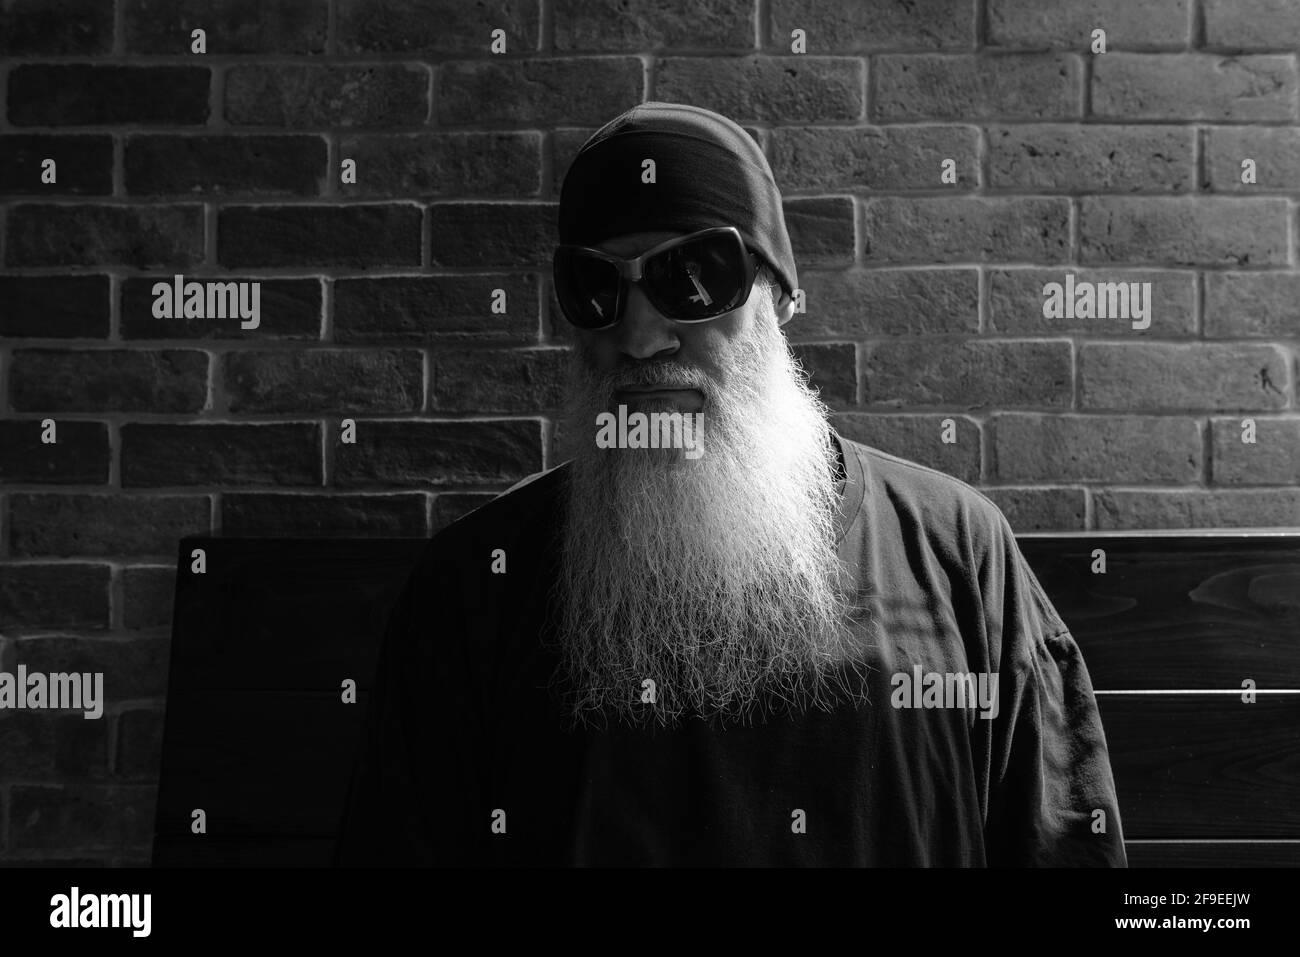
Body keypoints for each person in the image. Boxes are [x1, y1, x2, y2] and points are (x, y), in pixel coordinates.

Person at [334, 102, 1127, 867]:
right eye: (597, 288)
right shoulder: (471, 588)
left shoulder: (959, 554)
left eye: (692, 274)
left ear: (777, 294)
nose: (640, 336)